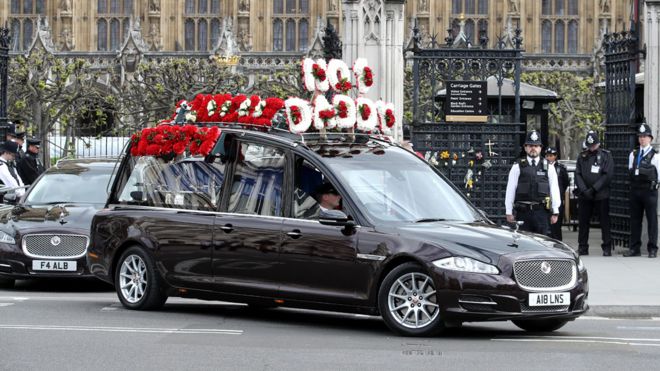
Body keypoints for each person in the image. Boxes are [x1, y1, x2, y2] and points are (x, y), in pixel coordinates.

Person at [505, 130, 561, 236]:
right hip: (523, 212)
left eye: (536, 146)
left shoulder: (548, 167)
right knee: (523, 244)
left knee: (541, 243)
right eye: (530, 145)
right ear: (525, 147)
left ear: (540, 148)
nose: (533, 148)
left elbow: (554, 189)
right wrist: (508, 210)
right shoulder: (517, 166)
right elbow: (511, 189)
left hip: (541, 212)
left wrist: (555, 210)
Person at [575, 130, 614, 256]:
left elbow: (607, 175)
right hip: (585, 195)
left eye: (593, 145)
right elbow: (578, 174)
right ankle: (582, 247)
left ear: (597, 144)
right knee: (583, 222)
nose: (591, 148)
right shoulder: (582, 156)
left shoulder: (606, 155)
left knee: (604, 221)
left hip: (601, 194)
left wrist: (594, 189)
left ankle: (607, 247)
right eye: (589, 145)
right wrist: (584, 190)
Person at [625, 123, 660, 258]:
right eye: (640, 136)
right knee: (635, 220)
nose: (642, 139)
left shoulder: (656, 156)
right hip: (635, 191)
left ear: (650, 138)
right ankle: (634, 248)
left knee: (652, 220)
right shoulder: (633, 154)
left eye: (645, 136)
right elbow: (630, 171)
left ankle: (652, 248)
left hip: (649, 191)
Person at [545, 146, 570, 240]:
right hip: (546, 199)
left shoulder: (560, 168)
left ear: (555, 156)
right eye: (547, 156)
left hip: (557, 199)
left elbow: (566, 182)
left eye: (551, 155)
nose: (548, 158)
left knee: (556, 225)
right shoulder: (543, 166)